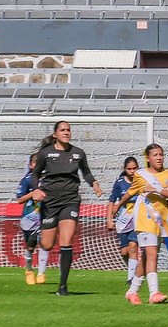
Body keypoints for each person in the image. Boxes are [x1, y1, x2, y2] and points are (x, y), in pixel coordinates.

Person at [30, 121, 103, 296]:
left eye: (68, 130)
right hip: (50, 202)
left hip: (70, 200)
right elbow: (35, 174)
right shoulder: (45, 154)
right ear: (55, 134)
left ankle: (62, 287)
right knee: (47, 245)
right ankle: (36, 237)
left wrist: (94, 183)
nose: (66, 132)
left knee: (67, 241)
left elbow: (85, 171)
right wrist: (36, 190)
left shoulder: (78, 153)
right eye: (63, 130)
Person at [114, 143, 168, 305]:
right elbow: (131, 191)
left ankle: (132, 291)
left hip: (160, 221)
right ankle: (154, 292)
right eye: (155, 155)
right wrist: (117, 205)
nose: (159, 157)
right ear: (148, 158)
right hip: (144, 219)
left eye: (161, 154)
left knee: (145, 259)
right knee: (151, 254)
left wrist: (157, 190)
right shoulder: (141, 175)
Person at [16, 154, 49, 285]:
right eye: (35, 163)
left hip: (45, 216)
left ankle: (41, 273)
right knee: (30, 246)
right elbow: (19, 199)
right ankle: (29, 270)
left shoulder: (47, 180)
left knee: (44, 245)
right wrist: (32, 194)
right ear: (30, 165)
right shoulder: (27, 180)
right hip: (30, 219)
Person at [107, 156, 140, 285]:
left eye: (135, 168)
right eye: (129, 169)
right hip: (123, 219)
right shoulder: (120, 183)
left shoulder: (142, 181)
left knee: (133, 246)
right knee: (124, 251)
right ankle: (131, 269)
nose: (132, 171)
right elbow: (111, 201)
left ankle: (131, 278)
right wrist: (109, 219)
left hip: (137, 219)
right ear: (125, 169)